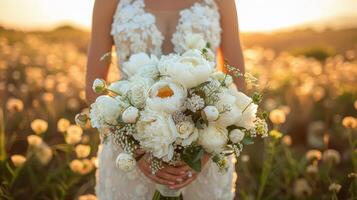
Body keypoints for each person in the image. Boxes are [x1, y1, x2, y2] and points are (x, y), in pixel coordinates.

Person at [85, 0, 245, 199]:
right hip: (128, 155)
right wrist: (136, 151)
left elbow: (238, 86)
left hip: (204, 158)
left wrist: (204, 152)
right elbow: (94, 89)